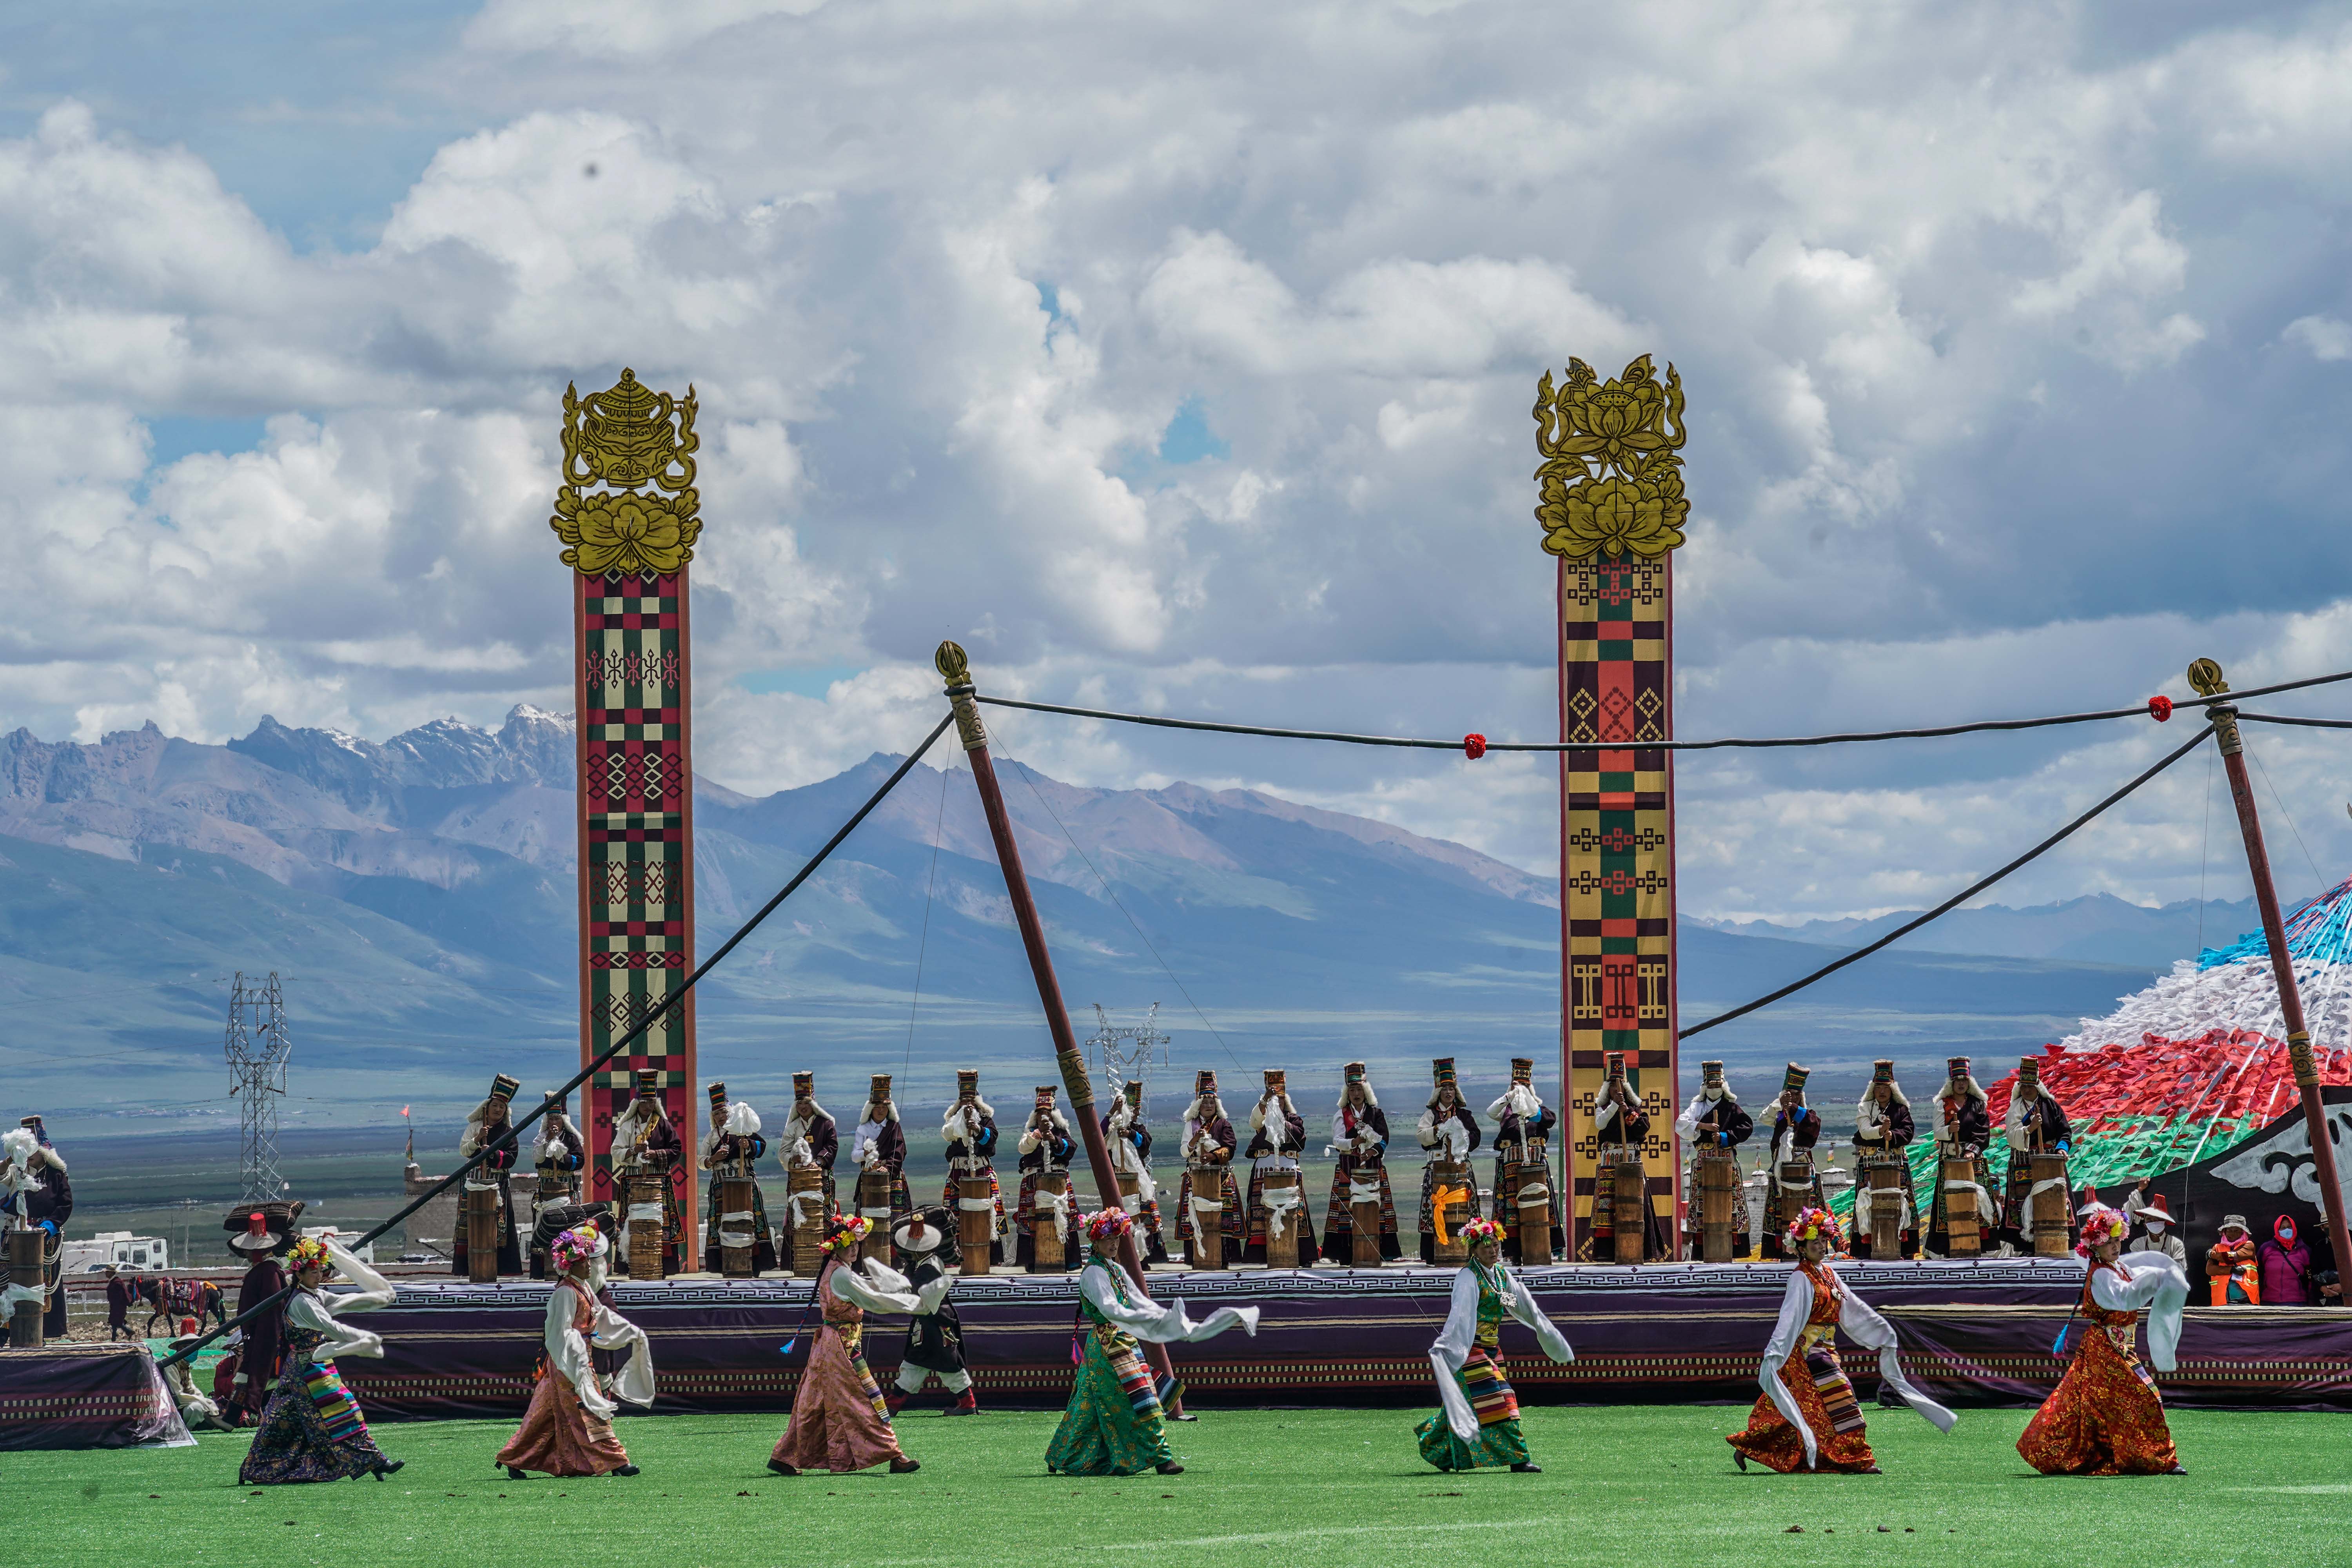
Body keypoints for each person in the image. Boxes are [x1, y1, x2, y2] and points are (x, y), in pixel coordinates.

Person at [1725, 1207, 1956, 1474]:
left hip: (1826, 1351)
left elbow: (1852, 1308)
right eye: (1816, 1243)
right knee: (1843, 1401)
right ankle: (1854, 1458)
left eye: (1824, 1241)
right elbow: (1789, 1320)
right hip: (1807, 1354)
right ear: (1802, 1248)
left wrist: (1881, 1330)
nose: (1822, 1247)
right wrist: (1776, 1352)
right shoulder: (1801, 1278)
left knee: (1794, 1410)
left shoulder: (1829, 1274)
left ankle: (1749, 1447)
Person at [1045, 1209, 1259, 1476]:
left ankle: (1059, 1456)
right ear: (1095, 1241)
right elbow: (1112, 1309)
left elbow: (1140, 1302)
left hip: (1121, 1342)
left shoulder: (1116, 1270)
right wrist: (1145, 1320)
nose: (1114, 1243)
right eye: (1108, 1238)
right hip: (1107, 1346)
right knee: (1141, 1399)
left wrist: (1167, 1318)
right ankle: (1163, 1459)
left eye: (1117, 1238)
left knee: (1089, 1402)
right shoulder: (1094, 1274)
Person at [2017, 1202, 2188, 1475]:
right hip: (2106, 1346)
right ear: (2095, 1246)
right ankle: (2153, 1459)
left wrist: (2162, 1277)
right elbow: (2125, 1297)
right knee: (2139, 1397)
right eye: (2108, 1242)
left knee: (2096, 1403)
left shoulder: (2116, 1267)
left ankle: (2146, 1457)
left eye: (2118, 1240)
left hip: (2119, 1346)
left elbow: (2135, 1281)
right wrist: (2157, 1279)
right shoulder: (2103, 1275)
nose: (2115, 1246)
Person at [238, 1234, 403, 1484]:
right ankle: (375, 1460)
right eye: (313, 1272)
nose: (319, 1276)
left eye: (321, 1271)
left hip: (313, 1365)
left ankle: (261, 1467)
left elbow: (340, 1303)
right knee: (342, 1409)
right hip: (306, 1370)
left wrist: (377, 1299)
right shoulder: (303, 1302)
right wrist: (366, 1338)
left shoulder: (315, 1295)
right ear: (300, 1274)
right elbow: (332, 1328)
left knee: (283, 1420)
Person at [1415, 1217, 1573, 1473]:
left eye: (1495, 1245)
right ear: (1474, 1250)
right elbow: (1461, 1315)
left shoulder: (1501, 1274)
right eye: (1485, 1246)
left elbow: (1520, 1302)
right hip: (1472, 1350)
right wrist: (1447, 1344)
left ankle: (1440, 1452)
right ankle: (1520, 1460)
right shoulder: (1468, 1277)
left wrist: (1547, 1332)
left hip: (1492, 1349)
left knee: (1466, 1406)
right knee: (1503, 1400)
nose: (1492, 1251)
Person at [769, 1216, 923, 1476]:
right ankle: (895, 1455)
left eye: (856, 1244)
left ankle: (784, 1455)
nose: (854, 1249)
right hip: (842, 1346)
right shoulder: (841, 1274)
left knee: (815, 1402)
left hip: (831, 1345)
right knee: (865, 1398)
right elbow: (871, 1300)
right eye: (849, 1244)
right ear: (837, 1247)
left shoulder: (836, 1269)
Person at [497, 1219, 651, 1479]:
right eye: (584, 1261)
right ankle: (617, 1462)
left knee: (543, 1416)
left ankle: (513, 1459)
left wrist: (630, 1334)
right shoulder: (565, 1294)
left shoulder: (585, 1289)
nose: (589, 1264)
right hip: (569, 1363)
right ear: (571, 1265)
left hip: (577, 1360)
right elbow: (559, 1332)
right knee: (590, 1411)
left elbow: (601, 1319)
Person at [885, 1207, 974, 1416]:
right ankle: (966, 1403)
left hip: (933, 1322)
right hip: (932, 1321)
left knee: (929, 1363)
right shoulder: (927, 1263)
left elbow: (917, 1294)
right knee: (937, 1363)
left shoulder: (927, 1269)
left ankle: (893, 1404)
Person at [223, 1202, 302, 1426]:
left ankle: (242, 1418)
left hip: (267, 1335)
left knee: (261, 1376)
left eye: (249, 1249)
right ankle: (234, 1418)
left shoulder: (269, 1271)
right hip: (258, 1335)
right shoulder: (263, 1270)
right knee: (250, 1376)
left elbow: (272, 1309)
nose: (246, 1253)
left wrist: (267, 1335)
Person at [1675, 1059, 1755, 1259]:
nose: (1714, 1088)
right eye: (1711, 1085)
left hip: (1726, 1159)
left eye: (1717, 1085)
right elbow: (1681, 1124)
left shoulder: (1732, 1108)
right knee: (1705, 1204)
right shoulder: (1697, 1107)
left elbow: (1747, 1127)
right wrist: (1705, 1127)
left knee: (1729, 1203)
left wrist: (1725, 1137)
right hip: (1704, 1160)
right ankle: (1704, 1248)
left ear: (1723, 1086)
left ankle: (1733, 1247)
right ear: (1705, 1086)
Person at [1488, 1058, 1564, 1264]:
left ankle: (1541, 1248)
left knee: (1538, 1206)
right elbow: (1491, 1112)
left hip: (1535, 1167)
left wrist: (1529, 1103)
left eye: (1524, 1086)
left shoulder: (1538, 1110)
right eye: (1516, 1085)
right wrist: (1510, 1096)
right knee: (1512, 1209)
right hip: (1511, 1168)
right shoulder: (1506, 1113)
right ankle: (1514, 1252)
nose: (1520, 1089)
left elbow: (1549, 1119)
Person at [0, 1120, 71, 1339]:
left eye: (33, 1151)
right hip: (15, 1232)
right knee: (6, 1278)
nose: (30, 1155)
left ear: (43, 1152)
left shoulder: (57, 1175)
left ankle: (48, 1331)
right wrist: (13, 1156)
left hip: (46, 1235)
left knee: (46, 1280)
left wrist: (48, 1226)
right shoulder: (17, 1169)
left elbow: (65, 1204)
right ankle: (6, 1329)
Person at [1241, 1070, 1319, 1266]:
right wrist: (1266, 1100)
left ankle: (1299, 1253)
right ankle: (1260, 1255)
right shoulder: (1262, 1120)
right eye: (1274, 1100)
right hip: (1263, 1172)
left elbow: (1299, 1138)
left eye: (1281, 1100)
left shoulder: (1293, 1120)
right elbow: (1254, 1121)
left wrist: (1281, 1122)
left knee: (1293, 1212)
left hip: (1288, 1171)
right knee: (1262, 1211)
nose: (1278, 1103)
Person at [1325, 1062, 1401, 1263]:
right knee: (1347, 1211)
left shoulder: (1377, 1114)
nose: (1356, 1094)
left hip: (1374, 1168)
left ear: (1366, 1091)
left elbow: (1384, 1138)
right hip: (1348, 1169)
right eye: (1352, 1090)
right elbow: (1337, 1141)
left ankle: (1382, 1251)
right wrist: (1354, 1142)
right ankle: (1345, 1254)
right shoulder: (1341, 1115)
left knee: (1376, 1210)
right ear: (1347, 1093)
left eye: (1359, 1089)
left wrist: (1372, 1152)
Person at [610, 1071, 684, 1275]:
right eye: (644, 1102)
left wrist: (656, 1153)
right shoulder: (627, 1126)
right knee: (634, 1221)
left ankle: (664, 1264)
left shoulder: (663, 1125)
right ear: (637, 1104)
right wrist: (634, 1151)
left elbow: (676, 1149)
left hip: (658, 1181)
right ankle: (632, 1263)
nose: (648, 1106)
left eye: (652, 1102)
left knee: (660, 1221)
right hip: (633, 1180)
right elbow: (615, 1151)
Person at [700, 1083, 777, 1274]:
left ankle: (756, 1263)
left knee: (751, 1219)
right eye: (716, 1114)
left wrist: (749, 1144)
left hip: (745, 1185)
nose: (720, 1117)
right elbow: (701, 1161)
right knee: (719, 1222)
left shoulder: (742, 1131)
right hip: (719, 1185)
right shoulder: (711, 1137)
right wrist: (713, 1159)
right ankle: (721, 1264)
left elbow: (762, 1146)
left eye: (723, 1113)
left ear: (731, 1113)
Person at [1590, 1051, 1661, 1259]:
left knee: (1634, 1204)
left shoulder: (1635, 1109)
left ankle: (1638, 1249)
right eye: (1613, 1086)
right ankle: (1607, 1253)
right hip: (1610, 1160)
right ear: (1608, 1089)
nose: (1617, 1089)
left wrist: (1626, 1110)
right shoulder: (1602, 1108)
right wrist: (1614, 1107)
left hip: (1631, 1159)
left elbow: (1642, 1128)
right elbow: (1600, 1124)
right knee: (1608, 1205)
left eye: (1620, 1085)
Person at [453, 1074, 525, 1277]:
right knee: (471, 1223)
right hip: (473, 1182)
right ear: (487, 1107)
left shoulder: (508, 1132)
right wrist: (477, 1140)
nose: (498, 1110)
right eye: (495, 1105)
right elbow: (464, 1151)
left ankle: (502, 1268)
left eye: (502, 1107)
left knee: (498, 1226)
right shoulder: (474, 1128)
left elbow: (511, 1158)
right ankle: (468, 1268)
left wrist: (492, 1153)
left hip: (498, 1183)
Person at [2000, 1057, 2073, 1252]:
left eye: (2030, 1086)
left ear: (2037, 1086)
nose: (2027, 1090)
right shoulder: (2015, 1108)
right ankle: (2026, 1244)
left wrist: (2062, 1149)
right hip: (2024, 1162)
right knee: (2024, 1202)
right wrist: (2029, 1129)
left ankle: (2057, 1241)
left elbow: (2064, 1131)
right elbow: (2011, 1136)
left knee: (2053, 1198)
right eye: (2023, 1086)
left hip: (2050, 1161)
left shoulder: (2051, 1106)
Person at [1849, 1060, 1920, 1261]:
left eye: (1886, 1088)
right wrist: (1881, 1131)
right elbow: (1863, 1131)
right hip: (1870, 1162)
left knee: (1901, 1202)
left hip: (1896, 1162)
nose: (1882, 1092)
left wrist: (1894, 1136)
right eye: (1878, 1088)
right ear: (1873, 1089)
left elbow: (1908, 1131)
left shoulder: (1901, 1109)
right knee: (1868, 1203)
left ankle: (1905, 1246)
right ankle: (1867, 1249)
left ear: (1893, 1090)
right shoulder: (1865, 1107)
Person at [1927, 1057, 1994, 1256]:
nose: (1962, 1084)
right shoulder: (1943, 1104)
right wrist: (1950, 1129)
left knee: (1976, 1200)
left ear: (1969, 1082)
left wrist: (1970, 1152)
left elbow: (1983, 1132)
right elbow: (1937, 1132)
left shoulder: (1977, 1104)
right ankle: (1947, 1246)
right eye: (1958, 1081)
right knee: (1948, 1202)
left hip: (1973, 1158)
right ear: (1952, 1084)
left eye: (1965, 1080)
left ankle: (1980, 1243)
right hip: (1949, 1159)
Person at [1175, 1070, 1243, 1267]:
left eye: (1212, 1103)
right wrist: (1195, 1140)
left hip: (1219, 1177)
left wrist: (1213, 1156)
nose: (1208, 1106)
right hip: (1195, 1175)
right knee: (1195, 1216)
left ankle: (1224, 1258)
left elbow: (1230, 1148)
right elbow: (1184, 1151)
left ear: (1217, 1106)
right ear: (1198, 1106)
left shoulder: (1223, 1124)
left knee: (1222, 1217)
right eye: (1204, 1103)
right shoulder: (1191, 1125)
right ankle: (1194, 1257)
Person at [1417, 1059, 1482, 1263]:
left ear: (1456, 1092)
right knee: (1434, 1207)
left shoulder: (1464, 1115)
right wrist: (1438, 1130)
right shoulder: (1430, 1115)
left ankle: (1469, 1251)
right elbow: (1422, 1137)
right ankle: (1431, 1254)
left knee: (1465, 1208)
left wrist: (1461, 1137)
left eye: (1452, 1088)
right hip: (1436, 1169)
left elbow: (1476, 1137)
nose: (1448, 1092)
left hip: (1460, 1168)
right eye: (1445, 1088)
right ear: (1438, 1092)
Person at [941, 1071, 1005, 1268]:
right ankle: (958, 1257)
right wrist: (962, 1123)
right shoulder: (953, 1119)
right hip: (958, 1175)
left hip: (982, 1172)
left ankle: (991, 1257)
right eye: (964, 1099)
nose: (968, 1103)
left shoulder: (985, 1117)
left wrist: (977, 1129)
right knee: (956, 1215)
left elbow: (992, 1138)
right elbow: (948, 1134)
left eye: (971, 1099)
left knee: (986, 1213)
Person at [1758, 1065, 1822, 1261]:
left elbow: (1814, 1126)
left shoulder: (1808, 1115)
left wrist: (1793, 1107)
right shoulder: (1779, 1117)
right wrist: (1779, 1103)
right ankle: (1782, 1251)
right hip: (1781, 1171)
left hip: (1802, 1168)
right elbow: (1763, 1117)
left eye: (1796, 1095)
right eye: (1789, 1095)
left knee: (1806, 1211)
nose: (1792, 1098)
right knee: (1781, 1211)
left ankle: (1809, 1251)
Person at [1014, 1085, 1081, 1272]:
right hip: (1034, 1182)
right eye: (1040, 1113)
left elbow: (1072, 1148)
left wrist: (1054, 1140)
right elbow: (1024, 1148)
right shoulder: (1031, 1132)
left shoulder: (1060, 1131)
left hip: (1057, 1182)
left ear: (1053, 1115)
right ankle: (1034, 1262)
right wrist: (1037, 1135)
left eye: (1047, 1112)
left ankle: (1067, 1260)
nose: (1044, 1116)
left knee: (1062, 1217)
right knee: (1033, 1221)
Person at [1103, 1080, 1169, 1264]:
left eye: (1137, 1110)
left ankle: (1145, 1258)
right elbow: (1099, 1137)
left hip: (1137, 1182)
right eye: (1133, 1110)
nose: (1137, 1113)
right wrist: (1111, 1113)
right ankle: (1118, 1256)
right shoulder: (1111, 1127)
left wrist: (1131, 1135)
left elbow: (1145, 1145)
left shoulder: (1138, 1129)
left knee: (1142, 1218)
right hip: (1116, 1179)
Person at [530, 1090, 587, 1275]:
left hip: (566, 1188)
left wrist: (563, 1156)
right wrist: (548, 1141)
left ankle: (567, 1267)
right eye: (551, 1119)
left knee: (567, 1225)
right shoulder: (540, 1138)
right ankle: (542, 1270)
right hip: (545, 1189)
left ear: (564, 1121)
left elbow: (580, 1161)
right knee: (543, 1225)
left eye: (558, 1119)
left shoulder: (571, 1139)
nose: (554, 1123)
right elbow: (538, 1158)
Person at [851, 1074, 913, 1241]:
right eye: (877, 1106)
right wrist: (865, 1156)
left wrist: (890, 1167)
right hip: (869, 1177)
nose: (881, 1110)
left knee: (895, 1219)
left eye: (885, 1107)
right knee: (868, 1216)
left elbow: (900, 1151)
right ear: (871, 1108)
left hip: (893, 1178)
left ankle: (896, 1256)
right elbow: (855, 1155)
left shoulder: (894, 1127)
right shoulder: (863, 1129)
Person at [782, 1072, 840, 1225]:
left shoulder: (826, 1124)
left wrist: (819, 1162)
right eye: (800, 1103)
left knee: (824, 1217)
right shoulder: (792, 1128)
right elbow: (784, 1152)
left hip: (821, 1177)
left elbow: (832, 1145)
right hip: (798, 1178)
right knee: (799, 1215)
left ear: (813, 1104)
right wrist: (792, 1159)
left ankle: (828, 1246)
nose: (803, 1107)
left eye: (806, 1103)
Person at [2122, 1184, 2187, 1269]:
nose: (2154, 1222)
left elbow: (2179, 1269)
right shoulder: (2137, 1244)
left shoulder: (2176, 1244)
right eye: (2149, 1220)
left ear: (2165, 1222)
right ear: (2145, 1224)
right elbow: (2139, 1269)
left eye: (2158, 1220)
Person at [2261, 1215, 2318, 1305]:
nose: (2287, 1230)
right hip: (2269, 1301)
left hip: (2297, 1302)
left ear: (2294, 1228)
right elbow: (2259, 1272)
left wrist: (2311, 1299)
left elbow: (2310, 1276)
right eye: (2282, 1228)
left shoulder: (2305, 1251)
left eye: (2289, 1227)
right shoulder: (2267, 1248)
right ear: (2277, 1230)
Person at [2207, 1215, 2259, 1304]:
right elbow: (2210, 1270)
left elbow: (2231, 1257)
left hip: (2246, 1299)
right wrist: (2231, 1270)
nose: (2233, 1234)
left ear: (2243, 1232)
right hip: (2223, 1300)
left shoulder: (2249, 1245)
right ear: (2225, 1232)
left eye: (2237, 1231)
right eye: (2230, 1230)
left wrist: (2211, 1254)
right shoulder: (2217, 1247)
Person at [105, 1265, 134, 1342]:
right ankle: (126, 1333)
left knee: (116, 1322)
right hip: (115, 1306)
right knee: (115, 1322)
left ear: (111, 1273)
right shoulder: (115, 1282)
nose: (106, 1274)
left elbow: (121, 1296)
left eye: (107, 1272)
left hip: (119, 1306)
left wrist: (118, 1304)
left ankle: (126, 1333)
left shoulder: (117, 1283)